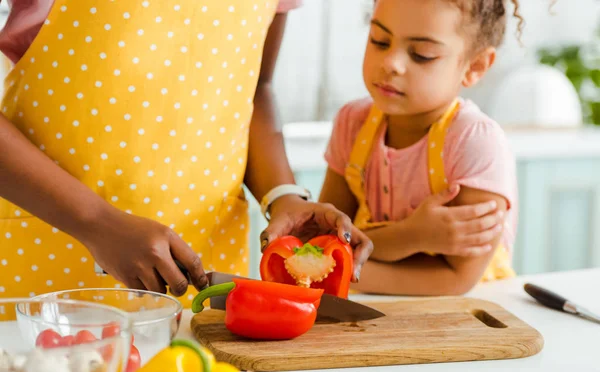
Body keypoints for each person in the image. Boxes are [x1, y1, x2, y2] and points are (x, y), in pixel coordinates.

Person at [0, 0, 373, 306]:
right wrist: (96, 222)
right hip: (44, 270)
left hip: (203, 276)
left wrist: (283, 197)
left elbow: (254, 88)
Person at [319, 0, 522, 295]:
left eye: (422, 55)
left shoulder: (475, 141)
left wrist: (337, 270)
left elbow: (457, 280)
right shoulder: (353, 123)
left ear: (474, 66)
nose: (391, 63)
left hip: (467, 318)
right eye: (380, 40)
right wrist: (411, 235)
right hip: (374, 310)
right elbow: (328, 239)